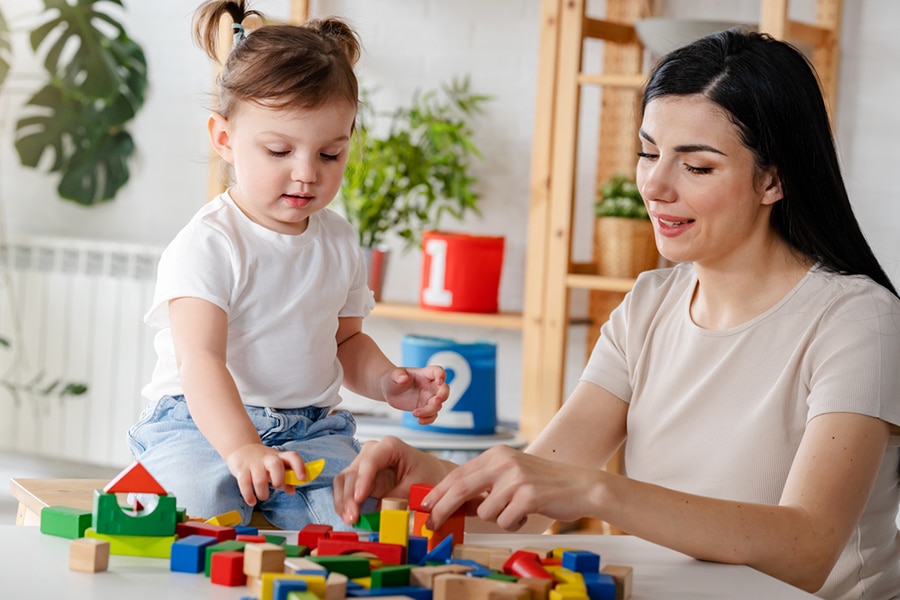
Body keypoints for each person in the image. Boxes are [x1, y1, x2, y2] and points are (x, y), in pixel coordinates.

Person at [334, 29, 900, 600]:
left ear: (773, 179)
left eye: (696, 167)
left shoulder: (858, 322)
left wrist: (597, 492)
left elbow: (807, 549)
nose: (654, 185)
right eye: (649, 152)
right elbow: (528, 508)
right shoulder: (649, 306)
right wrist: (425, 481)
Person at [127, 0, 449, 530]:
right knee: (197, 513)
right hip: (202, 425)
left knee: (357, 518)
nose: (306, 174)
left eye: (330, 155)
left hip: (312, 430)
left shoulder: (340, 240)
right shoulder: (209, 243)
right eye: (279, 150)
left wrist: (388, 381)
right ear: (224, 139)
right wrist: (241, 448)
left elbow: (345, 344)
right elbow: (200, 361)